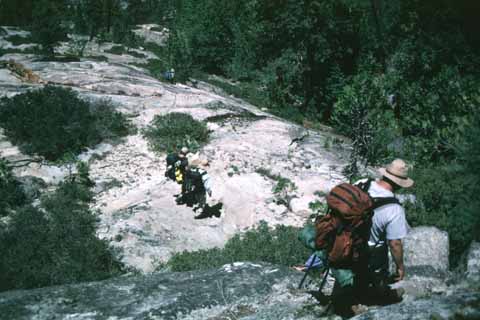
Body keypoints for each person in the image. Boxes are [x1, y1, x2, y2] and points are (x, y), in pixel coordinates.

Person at [334, 159, 413, 317]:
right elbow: (395, 243)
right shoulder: (394, 209)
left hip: (342, 237)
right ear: (399, 184)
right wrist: (400, 267)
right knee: (380, 247)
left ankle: (345, 294)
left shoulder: (363, 183)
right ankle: (379, 292)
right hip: (366, 252)